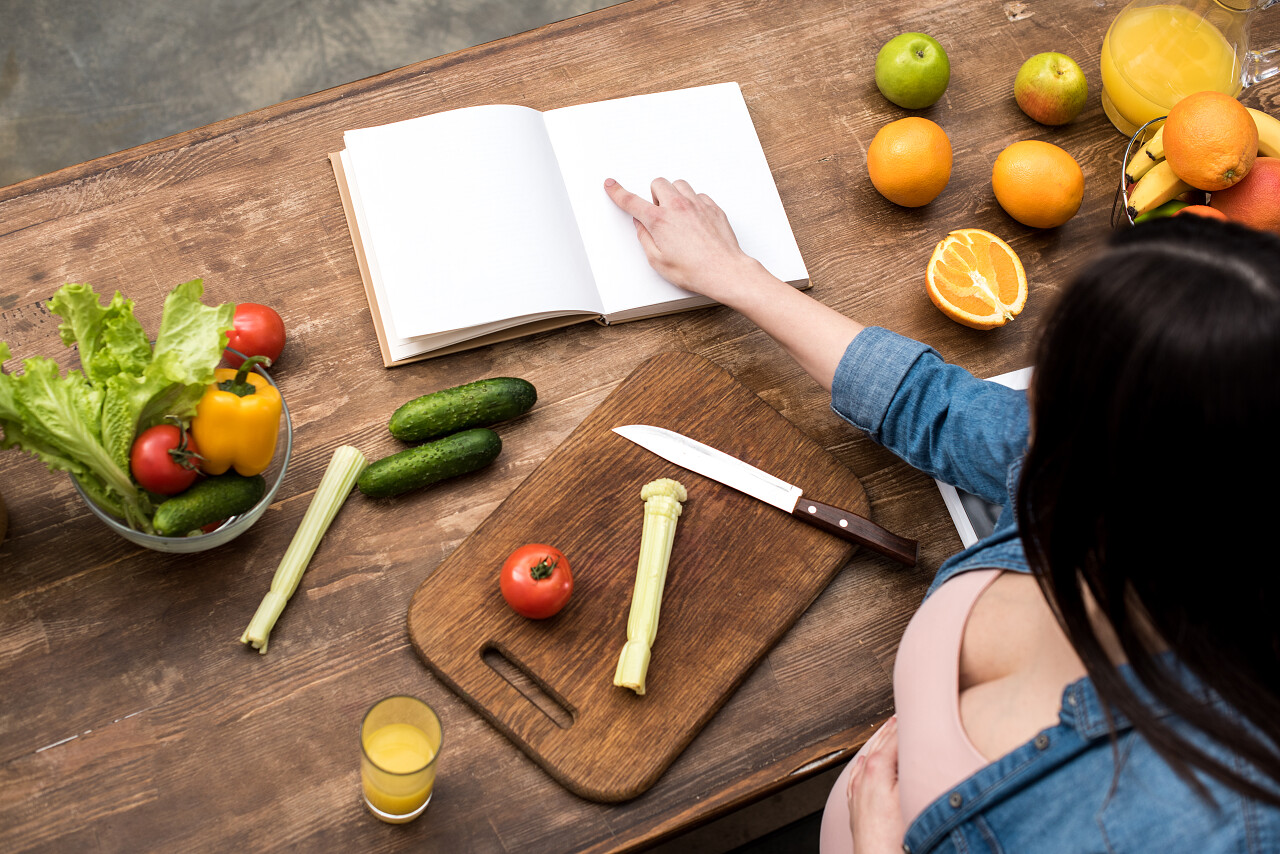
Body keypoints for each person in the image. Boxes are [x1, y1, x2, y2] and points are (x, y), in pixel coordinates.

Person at [603, 176, 1280, 853]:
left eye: (1057, 373)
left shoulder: (1211, 822)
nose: (1028, 393)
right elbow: (940, 408)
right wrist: (738, 276)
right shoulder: (1092, 475)